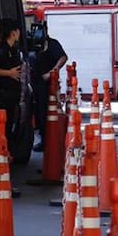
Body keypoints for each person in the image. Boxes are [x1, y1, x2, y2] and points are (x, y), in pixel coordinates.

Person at [29, 16, 68, 152]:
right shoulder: (32, 44)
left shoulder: (52, 44)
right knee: (37, 114)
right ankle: (43, 139)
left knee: (46, 112)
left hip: (47, 84)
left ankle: (49, 140)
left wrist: (52, 72)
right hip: (33, 83)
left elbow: (63, 57)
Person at [0, 18, 24, 141]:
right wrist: (8, 73)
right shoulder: (1, 50)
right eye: (18, 31)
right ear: (13, 32)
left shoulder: (13, 50)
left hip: (11, 97)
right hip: (1, 97)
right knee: (1, 129)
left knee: (10, 128)